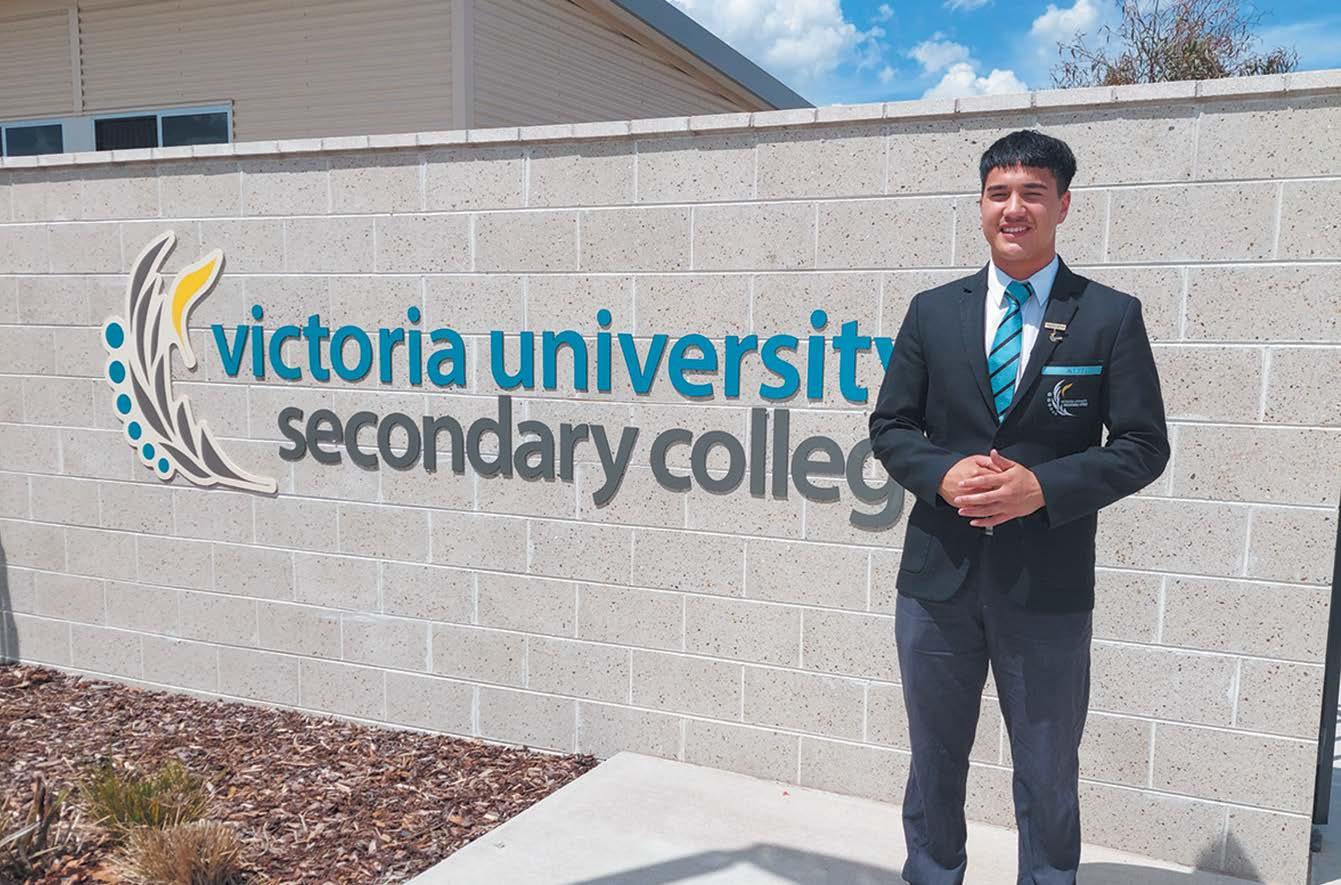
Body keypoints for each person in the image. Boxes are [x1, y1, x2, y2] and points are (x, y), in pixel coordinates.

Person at [867, 129, 1171, 885]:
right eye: (998, 193)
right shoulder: (933, 311)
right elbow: (891, 426)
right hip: (937, 581)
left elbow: (1143, 445)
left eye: (1032, 193)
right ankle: (932, 872)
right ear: (980, 206)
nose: (1014, 208)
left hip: (1047, 587)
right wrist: (941, 474)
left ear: (1062, 205)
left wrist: (1043, 487)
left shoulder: (1107, 316)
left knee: (1047, 766)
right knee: (934, 759)